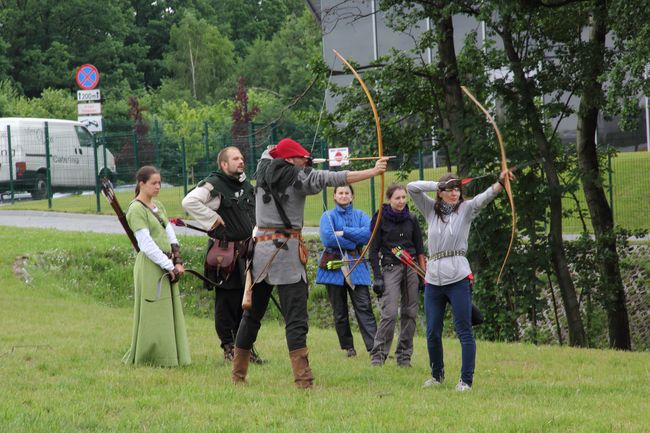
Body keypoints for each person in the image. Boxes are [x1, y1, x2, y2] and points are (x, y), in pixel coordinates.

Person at [231, 137, 388, 388]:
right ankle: (303, 380)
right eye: (299, 158)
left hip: (260, 254)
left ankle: (237, 376)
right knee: (296, 320)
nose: (304, 161)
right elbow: (335, 179)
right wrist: (374, 170)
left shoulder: (262, 169)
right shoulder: (299, 178)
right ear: (290, 160)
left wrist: (300, 159)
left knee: (251, 317)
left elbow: (269, 152)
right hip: (285, 256)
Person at [407, 170, 514, 391]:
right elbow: (412, 188)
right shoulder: (430, 210)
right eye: (450, 189)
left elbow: (483, 199)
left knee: (464, 329)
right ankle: (437, 376)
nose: (455, 193)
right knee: (432, 331)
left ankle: (466, 380)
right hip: (434, 278)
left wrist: (500, 183)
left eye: (457, 189)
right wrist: (437, 183)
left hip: (457, 277)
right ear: (441, 192)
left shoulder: (465, 210)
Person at [182, 146, 263, 363]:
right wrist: (211, 219)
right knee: (227, 302)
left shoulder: (244, 184)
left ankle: (244, 349)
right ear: (224, 164)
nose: (241, 161)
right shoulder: (214, 184)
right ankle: (229, 349)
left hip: (247, 251)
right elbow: (189, 201)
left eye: (242, 157)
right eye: (235, 158)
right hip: (225, 253)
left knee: (245, 302)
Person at [123, 165, 191, 367]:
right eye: (153, 183)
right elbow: (146, 244)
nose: (158, 186)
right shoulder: (135, 209)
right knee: (153, 313)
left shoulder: (158, 205)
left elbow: (170, 234)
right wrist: (168, 265)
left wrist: (177, 260)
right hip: (151, 266)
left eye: (159, 182)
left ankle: (171, 355)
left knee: (168, 311)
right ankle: (151, 355)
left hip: (167, 262)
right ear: (141, 184)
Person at [368, 183, 426, 368]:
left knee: (410, 312)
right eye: (397, 198)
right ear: (389, 199)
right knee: (390, 312)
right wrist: (377, 276)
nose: (401, 201)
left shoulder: (412, 218)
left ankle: (404, 356)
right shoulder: (380, 219)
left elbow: (420, 249)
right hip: (390, 267)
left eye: (403, 197)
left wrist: (423, 275)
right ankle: (378, 355)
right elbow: (373, 250)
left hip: (411, 268)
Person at [316, 185, 377, 358]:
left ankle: (374, 348)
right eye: (340, 193)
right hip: (333, 265)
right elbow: (328, 237)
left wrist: (343, 232)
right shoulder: (327, 216)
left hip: (356, 264)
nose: (343, 196)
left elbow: (368, 235)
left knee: (364, 306)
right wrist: (352, 241)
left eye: (347, 193)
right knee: (339, 310)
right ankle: (348, 347)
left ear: (352, 196)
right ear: (334, 196)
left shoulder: (361, 215)